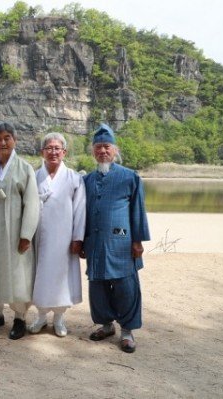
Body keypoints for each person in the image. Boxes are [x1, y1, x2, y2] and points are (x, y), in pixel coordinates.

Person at [80, 124, 150, 353]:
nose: (102, 151)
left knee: (125, 285)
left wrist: (138, 240)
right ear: (93, 151)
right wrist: (81, 240)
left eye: (106, 147)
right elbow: (81, 214)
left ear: (115, 149)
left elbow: (138, 210)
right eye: (98, 147)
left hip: (122, 241)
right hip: (95, 242)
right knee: (97, 285)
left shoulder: (130, 177)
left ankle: (127, 331)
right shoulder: (87, 180)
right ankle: (106, 324)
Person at [0, 121, 39, 340]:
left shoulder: (24, 168)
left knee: (18, 272)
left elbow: (32, 203)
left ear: (14, 140)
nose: (3, 142)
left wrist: (26, 234)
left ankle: (20, 317)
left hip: (14, 231)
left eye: (7, 138)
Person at [29, 133, 86, 337]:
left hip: (64, 238)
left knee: (62, 277)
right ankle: (41, 316)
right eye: (49, 148)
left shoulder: (74, 178)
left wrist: (77, 238)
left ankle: (59, 318)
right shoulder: (33, 176)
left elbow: (80, 210)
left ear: (64, 152)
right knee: (39, 275)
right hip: (39, 237)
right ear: (42, 152)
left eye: (57, 148)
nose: (53, 152)